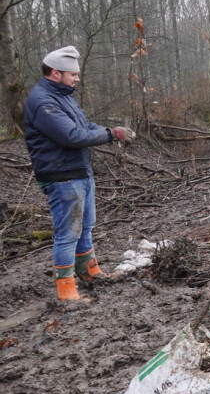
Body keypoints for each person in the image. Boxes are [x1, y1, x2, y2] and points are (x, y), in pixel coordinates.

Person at [23, 46, 137, 301]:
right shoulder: (43, 102)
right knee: (68, 234)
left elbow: (85, 126)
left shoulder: (64, 97)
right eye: (72, 74)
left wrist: (111, 129)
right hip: (61, 176)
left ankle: (89, 272)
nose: (77, 78)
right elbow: (71, 136)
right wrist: (110, 135)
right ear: (55, 73)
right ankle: (66, 291)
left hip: (79, 171)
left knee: (85, 227)